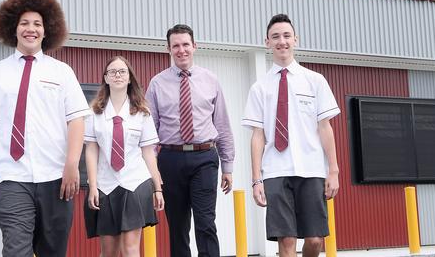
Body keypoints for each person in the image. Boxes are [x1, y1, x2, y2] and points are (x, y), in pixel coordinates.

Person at [0, 0, 91, 257]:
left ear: (46, 31)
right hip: (10, 177)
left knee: (53, 251)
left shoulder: (62, 72)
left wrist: (72, 165)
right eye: (24, 23)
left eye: (37, 24)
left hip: (56, 178)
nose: (31, 29)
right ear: (13, 28)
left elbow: (76, 121)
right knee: (16, 250)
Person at [242, 14, 340, 257]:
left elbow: (325, 128)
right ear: (267, 42)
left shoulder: (315, 81)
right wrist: (256, 180)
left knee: (315, 240)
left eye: (286, 36)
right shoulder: (260, 87)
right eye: (275, 37)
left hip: (312, 170)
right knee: (286, 241)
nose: (281, 41)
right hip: (276, 171)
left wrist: (334, 171)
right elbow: (257, 136)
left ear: (295, 39)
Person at [145, 24, 234, 257]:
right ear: (169, 49)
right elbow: (149, 131)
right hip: (170, 159)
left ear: (195, 46)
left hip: (204, 157)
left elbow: (222, 124)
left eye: (186, 44)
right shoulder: (157, 84)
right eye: (176, 46)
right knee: (178, 227)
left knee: (206, 223)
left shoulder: (210, 80)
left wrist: (228, 165)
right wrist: (152, 172)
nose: (181, 50)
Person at [83, 55, 164, 257]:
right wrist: (93, 185)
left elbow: (148, 153)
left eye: (122, 71)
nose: (117, 75)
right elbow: (91, 150)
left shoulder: (142, 112)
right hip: (105, 184)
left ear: (129, 79)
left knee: (130, 248)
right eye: (113, 71)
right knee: (108, 251)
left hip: (135, 183)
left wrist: (158, 188)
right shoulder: (94, 112)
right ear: (106, 78)